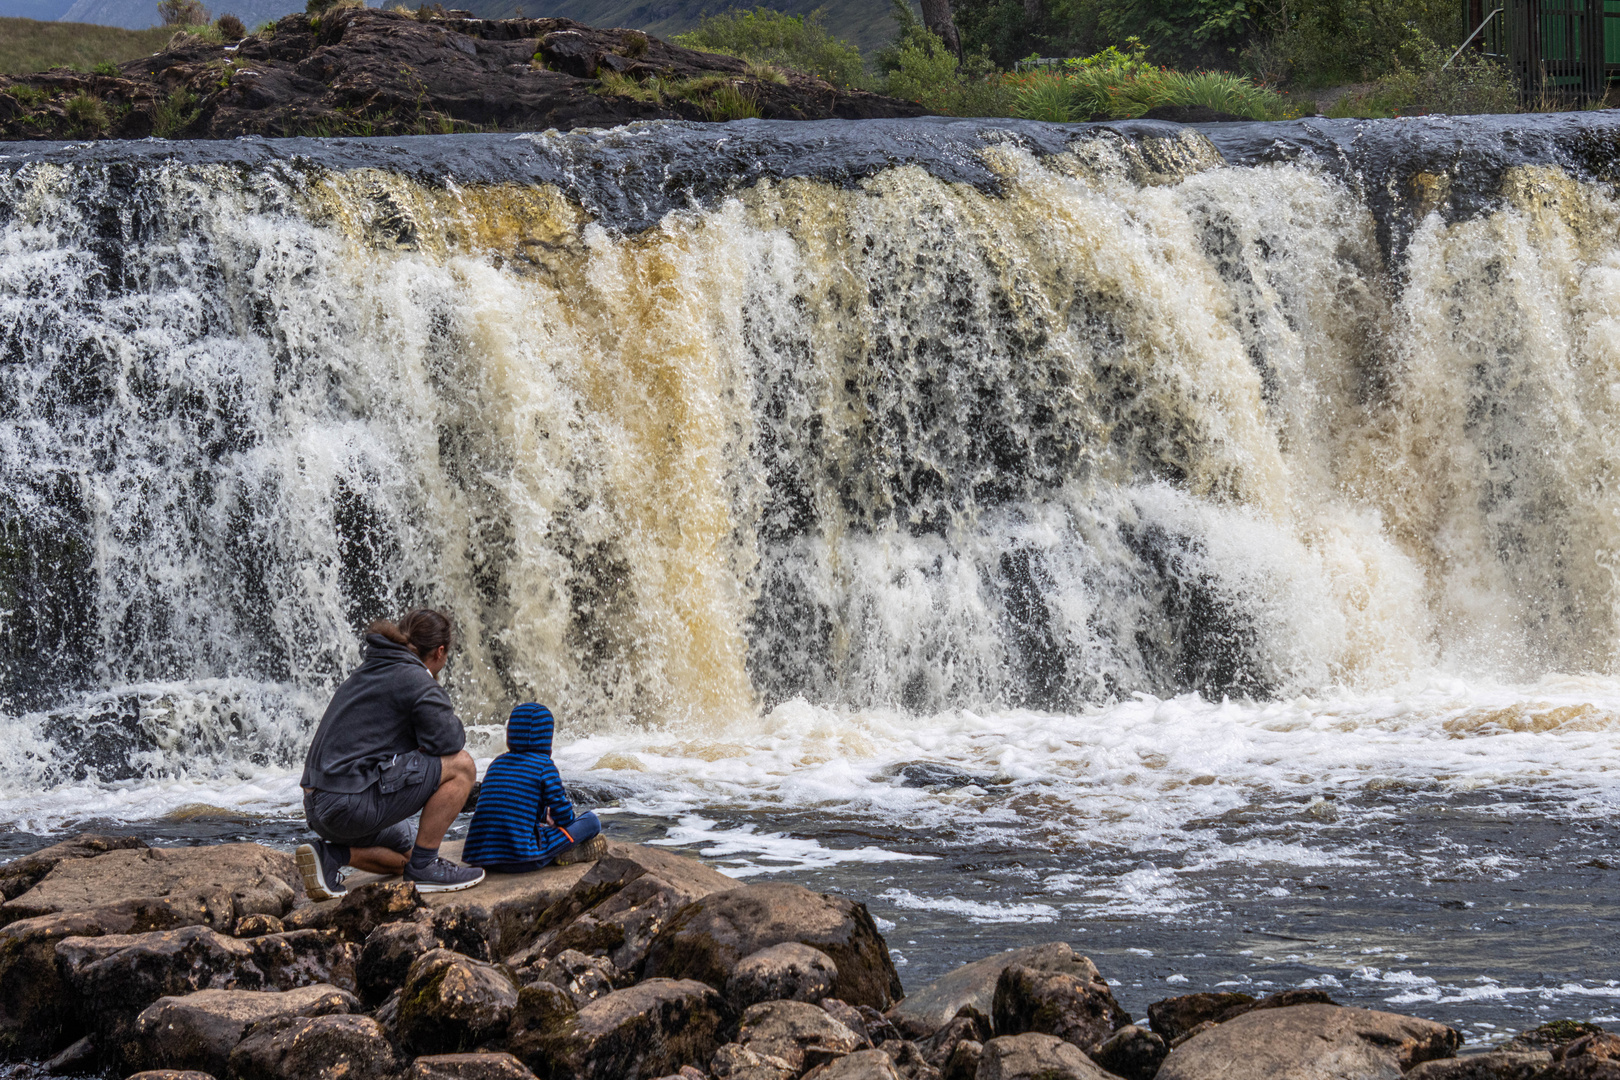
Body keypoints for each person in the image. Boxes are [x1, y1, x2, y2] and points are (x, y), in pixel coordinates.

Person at [295, 609, 485, 898]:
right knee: (462, 766)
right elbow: (451, 741)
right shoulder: (415, 678)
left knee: (410, 853)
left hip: (319, 806)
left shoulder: (372, 668)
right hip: (347, 804)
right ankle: (426, 869)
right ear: (440, 651)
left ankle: (332, 856)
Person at [461, 702, 605, 873]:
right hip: (522, 858)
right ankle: (563, 851)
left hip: (480, 856)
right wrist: (560, 822)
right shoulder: (544, 765)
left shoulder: (496, 763)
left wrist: (544, 815)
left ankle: (556, 848)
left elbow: (509, 805)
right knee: (591, 821)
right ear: (546, 737)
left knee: (532, 826)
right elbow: (564, 816)